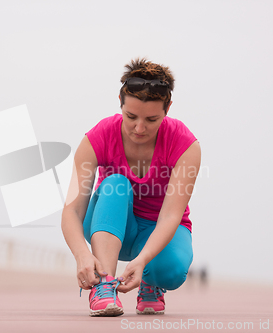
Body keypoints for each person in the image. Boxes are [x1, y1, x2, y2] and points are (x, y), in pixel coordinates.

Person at [61, 58, 201, 317]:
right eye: (131, 116)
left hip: (158, 228)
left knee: (170, 272)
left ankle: (151, 282)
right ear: (120, 102)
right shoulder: (99, 137)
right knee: (115, 183)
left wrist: (144, 260)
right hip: (110, 224)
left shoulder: (185, 144)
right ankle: (103, 287)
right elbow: (71, 209)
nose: (139, 128)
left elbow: (171, 215)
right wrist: (81, 253)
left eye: (151, 119)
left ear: (168, 107)